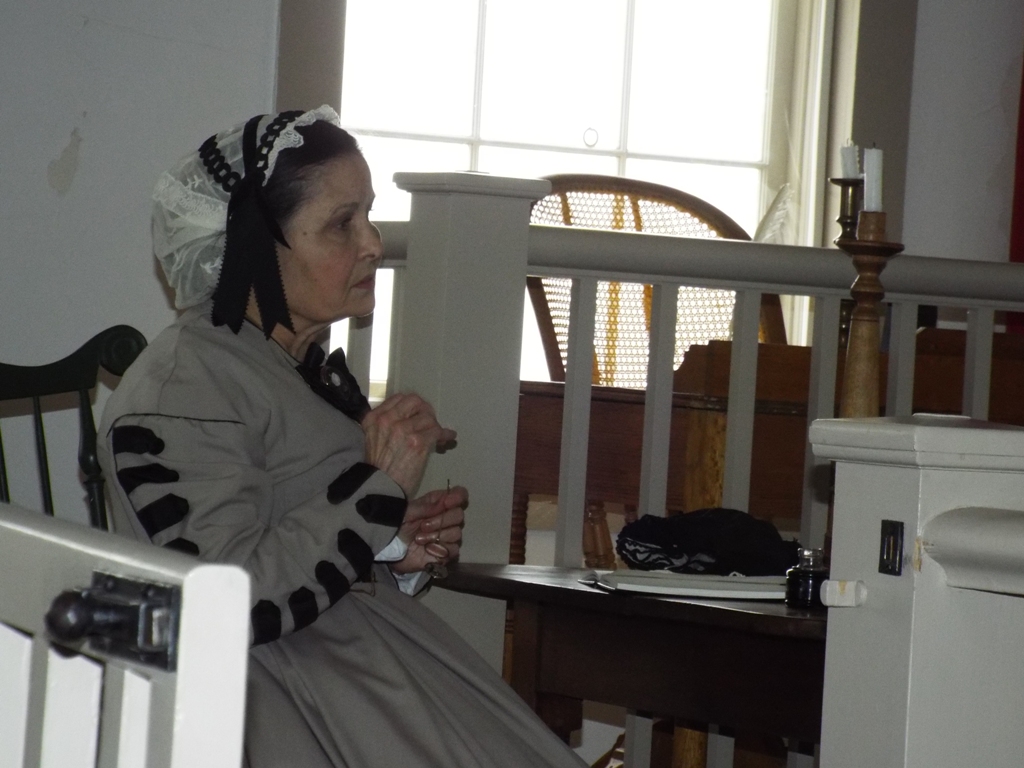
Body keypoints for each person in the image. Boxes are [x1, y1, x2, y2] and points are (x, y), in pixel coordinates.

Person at [98, 106, 587, 768]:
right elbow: (224, 600)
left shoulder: (276, 363)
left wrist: (390, 544)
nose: (373, 243)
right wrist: (374, 492)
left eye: (368, 216)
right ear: (253, 242)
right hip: (271, 701)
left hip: (344, 665)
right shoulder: (186, 387)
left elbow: (290, 527)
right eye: (341, 224)